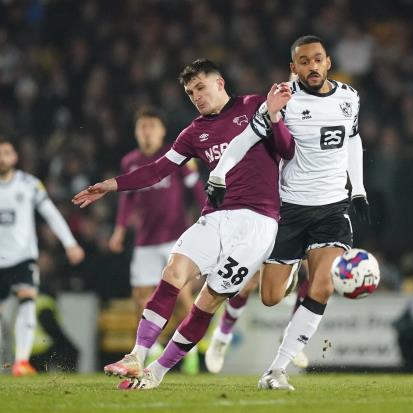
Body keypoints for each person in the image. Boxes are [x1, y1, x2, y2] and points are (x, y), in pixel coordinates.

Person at [72, 58, 294, 389]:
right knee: (172, 274)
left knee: (207, 302)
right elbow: (158, 169)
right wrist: (111, 185)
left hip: (258, 223)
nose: (196, 96)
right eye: (190, 93)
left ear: (219, 83)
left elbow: (287, 149)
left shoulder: (254, 105)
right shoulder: (194, 132)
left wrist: (275, 115)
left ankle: (157, 372)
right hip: (214, 218)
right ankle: (136, 356)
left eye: (200, 88)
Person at [206, 35, 369, 390]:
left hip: (331, 208)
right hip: (288, 209)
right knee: (270, 297)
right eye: (305, 62)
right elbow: (245, 139)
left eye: (318, 59)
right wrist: (219, 173)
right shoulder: (282, 100)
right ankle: (289, 272)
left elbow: (353, 139)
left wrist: (357, 189)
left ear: (328, 62)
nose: (313, 66)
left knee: (323, 285)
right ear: (293, 68)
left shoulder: (349, 97)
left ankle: (276, 370)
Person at [108, 106, 205, 372]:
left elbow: (195, 188)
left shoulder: (176, 157)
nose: (147, 131)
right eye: (142, 127)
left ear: (162, 131)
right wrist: (119, 230)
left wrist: (208, 217)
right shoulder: (130, 161)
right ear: (137, 132)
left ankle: (189, 353)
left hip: (175, 239)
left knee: (183, 297)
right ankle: (157, 349)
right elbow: (126, 199)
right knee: (141, 296)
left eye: (152, 126)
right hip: (145, 241)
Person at [0, 137, 85, 376]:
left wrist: (70, 244)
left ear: (14, 157)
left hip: (22, 258)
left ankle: (21, 362)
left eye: (6, 153)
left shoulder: (29, 184)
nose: (2, 158)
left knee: (28, 300)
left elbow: (52, 214)